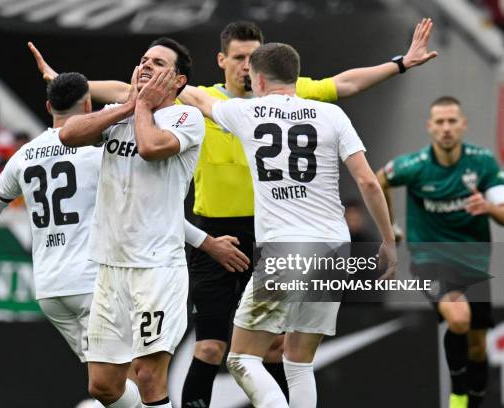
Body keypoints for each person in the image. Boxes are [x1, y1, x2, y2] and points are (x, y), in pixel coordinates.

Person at [27, 18, 435, 405]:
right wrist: (70, 82)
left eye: (252, 57)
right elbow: (130, 90)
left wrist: (398, 64)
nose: (245, 65)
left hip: (271, 236)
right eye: (238, 56)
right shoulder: (228, 102)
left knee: (260, 353)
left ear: (261, 70)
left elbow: (347, 82)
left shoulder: (242, 108)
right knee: (219, 347)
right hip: (234, 234)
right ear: (222, 60)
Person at [0, 71, 240, 406]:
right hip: (96, 280)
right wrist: (207, 243)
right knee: (133, 376)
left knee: (109, 386)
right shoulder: (100, 154)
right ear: (88, 104)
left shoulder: (24, 155)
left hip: (51, 291)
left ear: (48, 107)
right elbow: (148, 211)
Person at [182, 42, 397, 408]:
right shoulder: (331, 115)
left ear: (259, 79)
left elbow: (200, 101)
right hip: (333, 248)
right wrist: (388, 242)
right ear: (295, 75)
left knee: (241, 358)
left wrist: (166, 79)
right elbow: (368, 182)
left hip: (286, 250)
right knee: (298, 362)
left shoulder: (245, 112)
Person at [56, 38, 204, 408]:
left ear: (179, 81)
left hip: (156, 267)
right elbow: (68, 134)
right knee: (103, 385)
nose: (147, 67)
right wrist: (127, 106)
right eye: (143, 60)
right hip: (110, 266)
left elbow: (151, 148)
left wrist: (141, 106)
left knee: (149, 375)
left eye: (158, 63)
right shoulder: (120, 112)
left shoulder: (185, 118)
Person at [377, 96, 504, 408]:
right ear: (429, 127)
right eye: (440, 122)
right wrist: (390, 228)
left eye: (452, 121)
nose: (446, 128)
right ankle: (458, 394)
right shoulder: (415, 166)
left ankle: (471, 401)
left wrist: (487, 207)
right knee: (458, 319)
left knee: (476, 346)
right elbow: (379, 180)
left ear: (463, 125)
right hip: (429, 258)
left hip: (475, 263)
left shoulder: (484, 162)